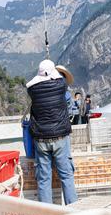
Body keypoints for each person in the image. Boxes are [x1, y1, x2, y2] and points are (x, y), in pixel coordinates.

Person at [26, 59, 77, 205]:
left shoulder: (32, 90)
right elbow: (66, 77)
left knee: (43, 178)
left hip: (41, 139)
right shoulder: (61, 85)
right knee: (66, 176)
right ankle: (73, 210)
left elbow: (35, 83)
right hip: (60, 137)